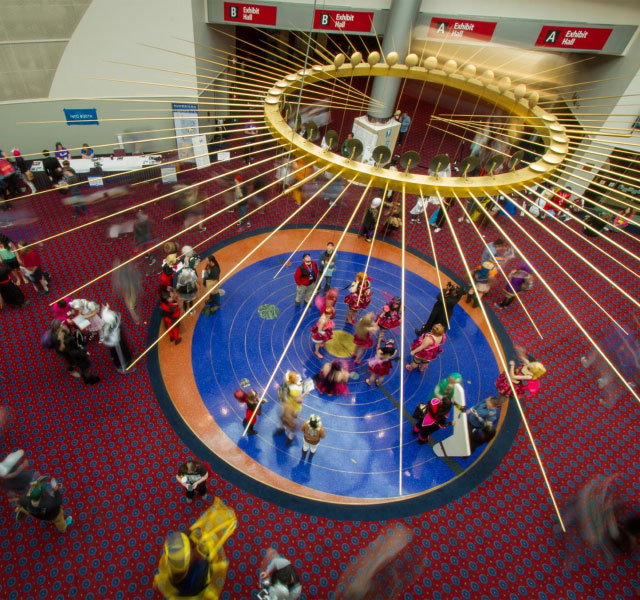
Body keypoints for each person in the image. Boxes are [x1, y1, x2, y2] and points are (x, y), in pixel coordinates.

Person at [154, 501, 237, 599]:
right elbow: (205, 575)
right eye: (191, 547)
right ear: (190, 560)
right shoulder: (196, 575)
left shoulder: (175, 565)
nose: (193, 544)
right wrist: (205, 559)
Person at [99, 304, 133, 373]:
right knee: (119, 353)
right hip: (115, 340)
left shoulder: (107, 317)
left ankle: (126, 362)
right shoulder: (108, 319)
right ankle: (123, 365)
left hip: (116, 338)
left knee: (121, 351)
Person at [111, 260, 143, 324]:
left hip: (130, 284)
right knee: (130, 303)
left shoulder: (126, 266)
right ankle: (135, 317)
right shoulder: (120, 269)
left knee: (132, 300)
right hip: (127, 287)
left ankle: (135, 314)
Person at [176, 246, 199, 316]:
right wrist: (180, 260)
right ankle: (186, 309)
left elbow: (191, 267)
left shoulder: (192, 259)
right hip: (186, 271)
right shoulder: (187, 257)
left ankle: (190, 309)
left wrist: (184, 267)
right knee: (186, 301)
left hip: (189, 271)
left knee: (190, 300)